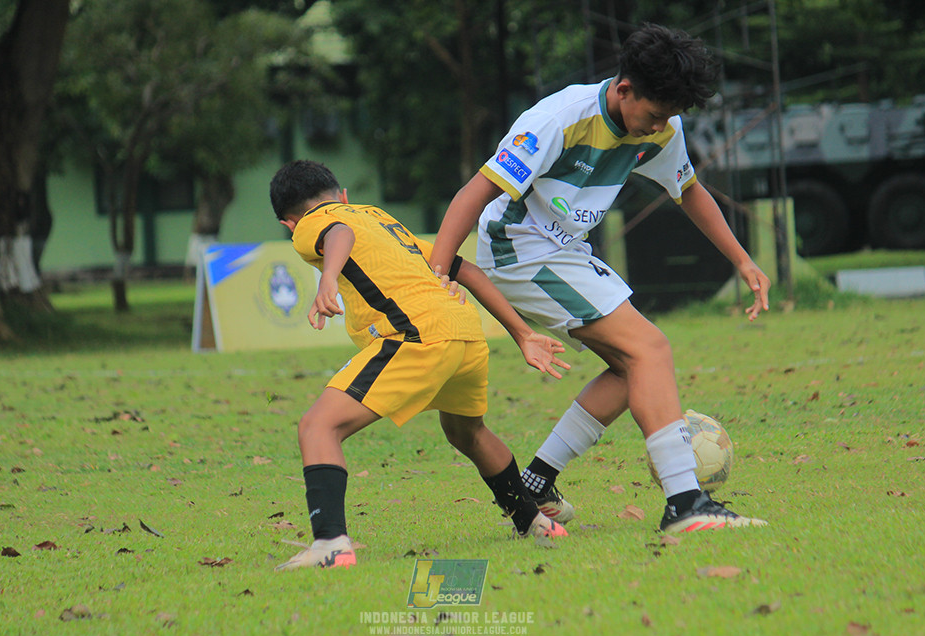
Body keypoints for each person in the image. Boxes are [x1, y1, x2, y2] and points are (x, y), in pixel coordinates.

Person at [430, 23, 769, 534]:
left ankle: (538, 482)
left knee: (632, 369)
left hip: (563, 250)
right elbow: (476, 192)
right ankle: (685, 504)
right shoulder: (558, 120)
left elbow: (689, 190)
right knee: (650, 348)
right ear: (624, 89)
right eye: (655, 116)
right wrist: (439, 267)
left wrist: (742, 260)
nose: (659, 130)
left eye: (669, 119)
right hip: (517, 250)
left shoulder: (660, 125)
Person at [269, 160, 571, 570]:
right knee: (467, 431)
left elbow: (339, 233)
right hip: (464, 333)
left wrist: (326, 279)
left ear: (289, 223)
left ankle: (330, 544)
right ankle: (534, 522)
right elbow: (464, 269)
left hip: (416, 335)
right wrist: (522, 333)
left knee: (317, 426)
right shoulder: (380, 219)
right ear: (343, 195)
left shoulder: (314, 222)